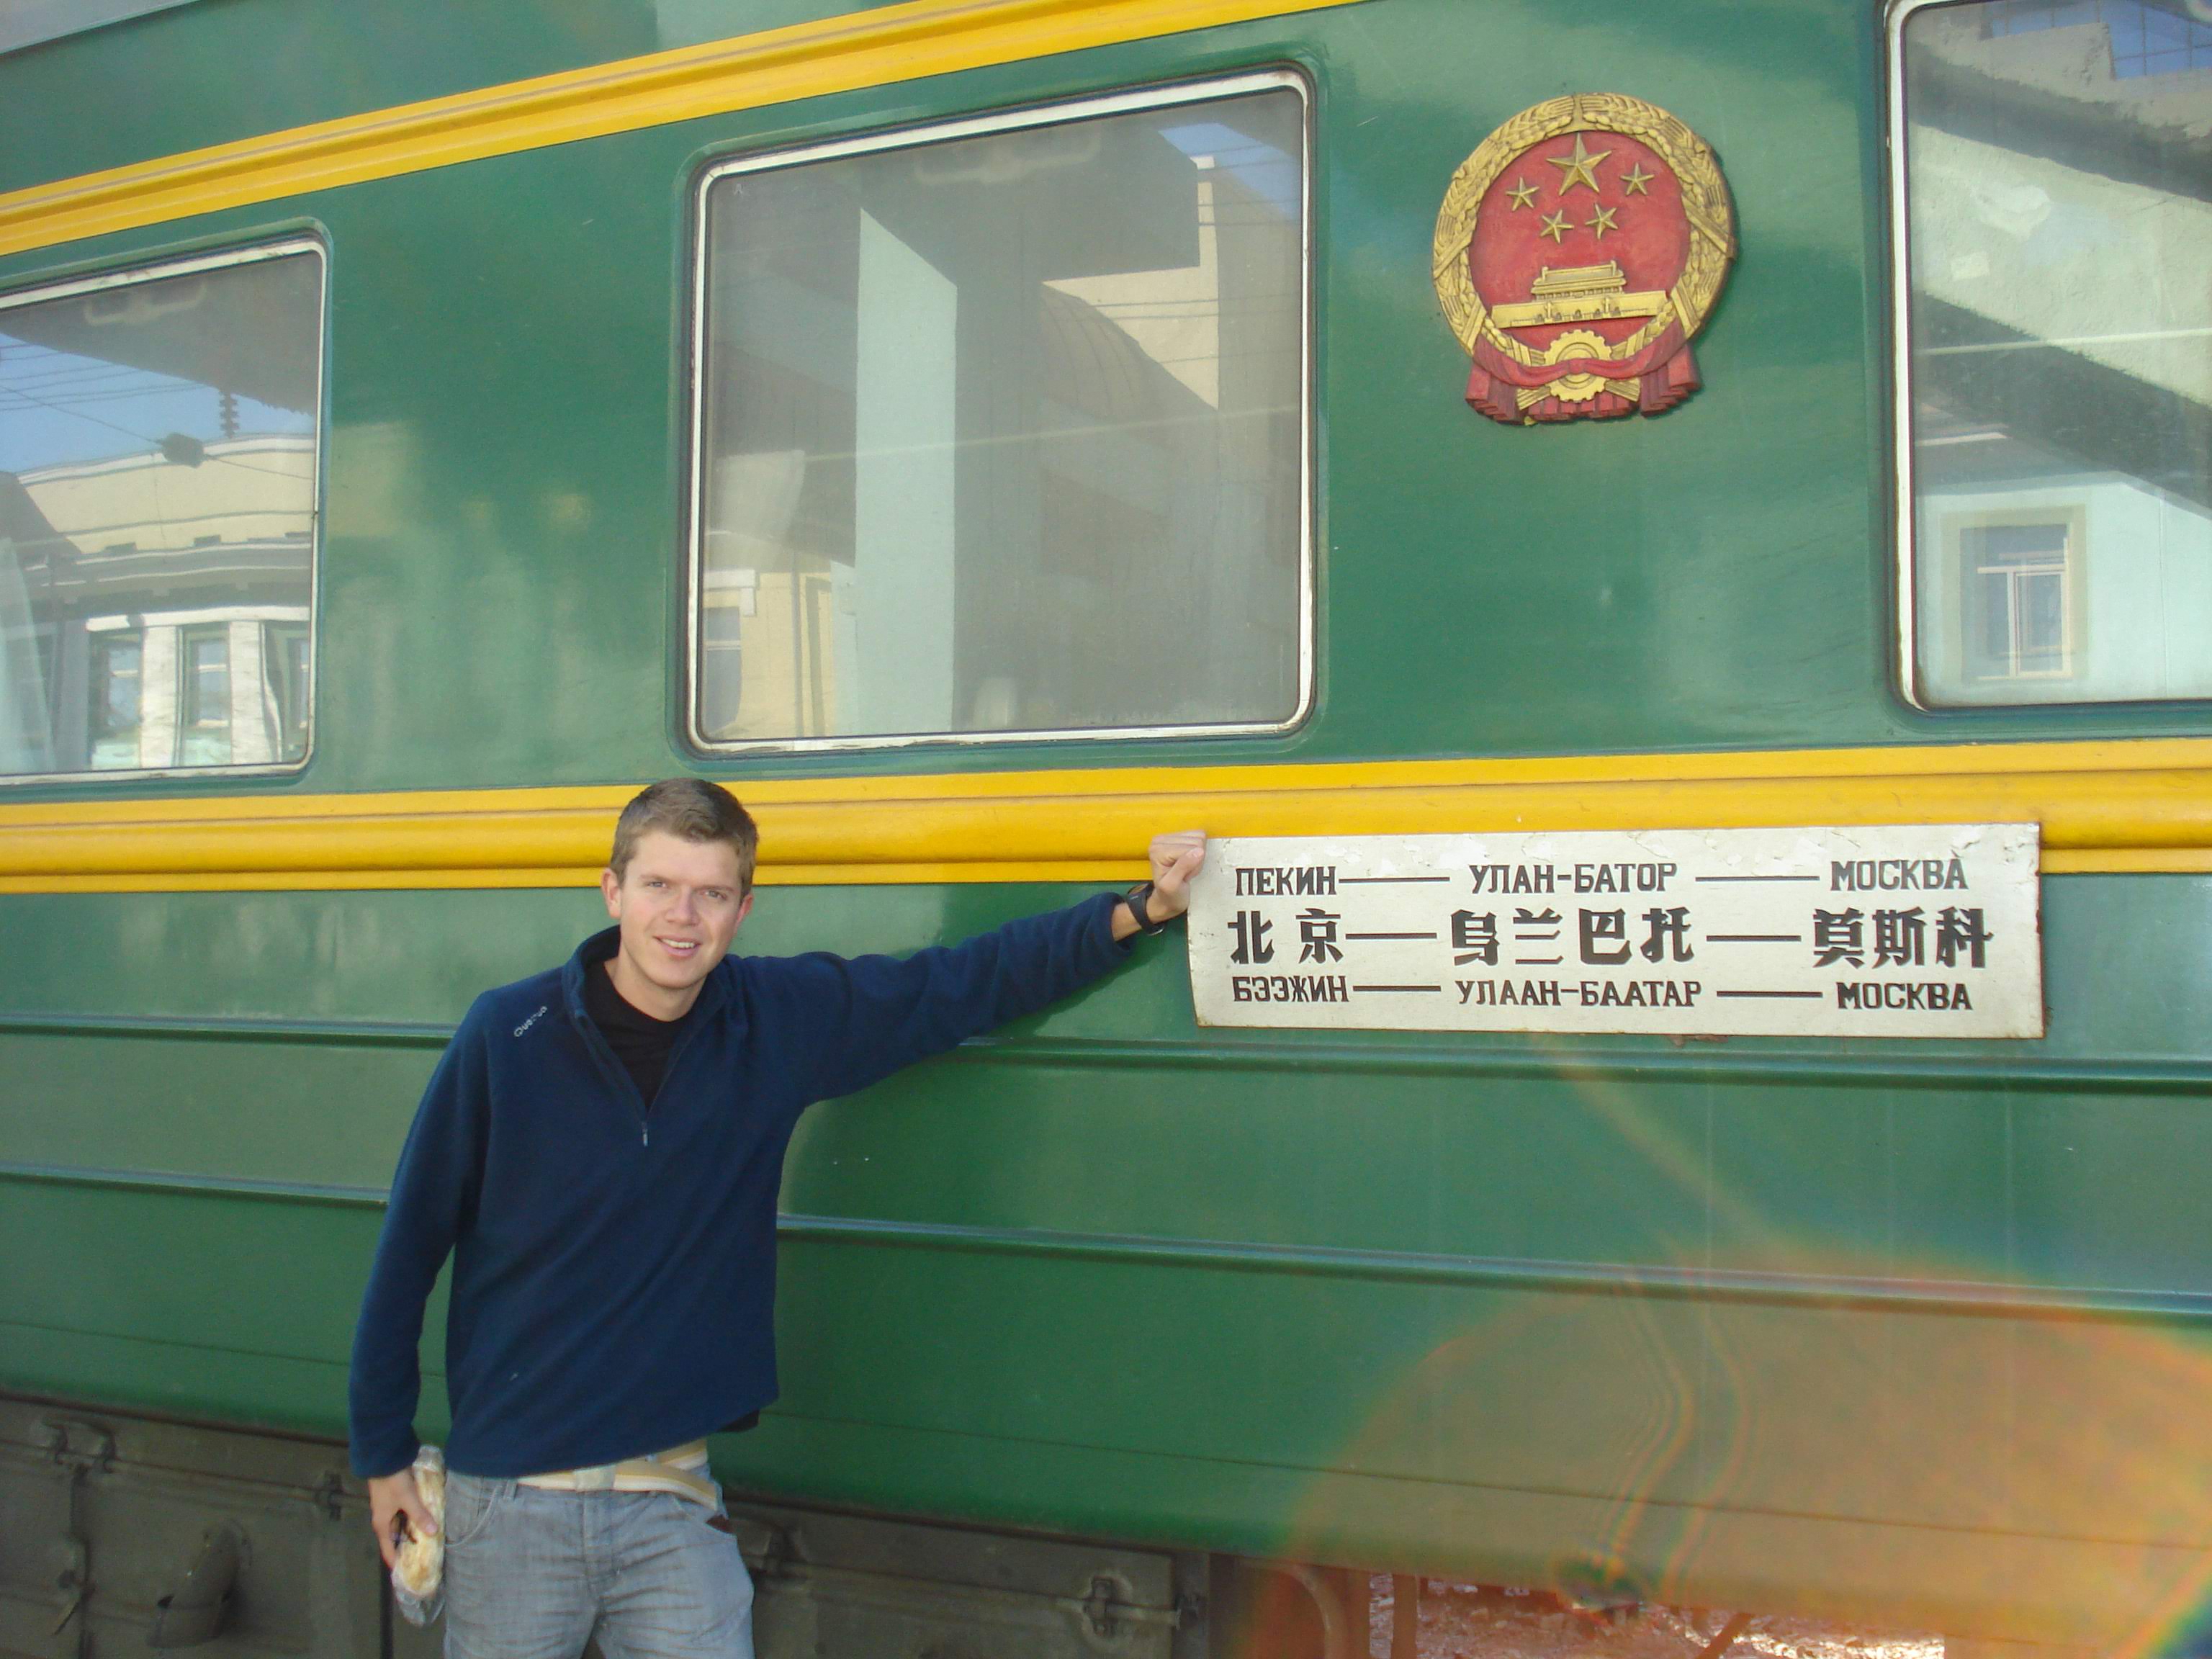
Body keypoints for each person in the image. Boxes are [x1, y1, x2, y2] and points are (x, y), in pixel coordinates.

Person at [348, 778, 1205, 1659]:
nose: (683, 918)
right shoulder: (509, 1035)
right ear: (613, 892)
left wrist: (1137, 911)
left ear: (743, 908)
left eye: (712, 894)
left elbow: (953, 987)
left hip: (671, 1501)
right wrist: (382, 1453)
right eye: (659, 887)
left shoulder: (770, 1022)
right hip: (513, 1503)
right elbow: (410, 1246)